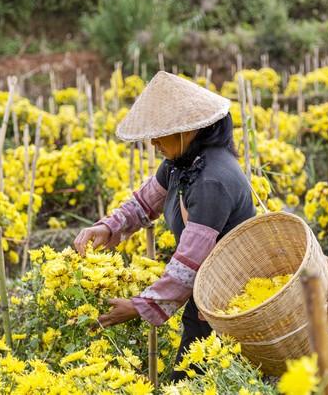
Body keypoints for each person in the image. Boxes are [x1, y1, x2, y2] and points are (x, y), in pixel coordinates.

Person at [73, 71, 255, 381]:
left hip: (230, 304)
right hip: (207, 298)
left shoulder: (212, 179)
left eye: (162, 132)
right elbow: (144, 203)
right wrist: (107, 228)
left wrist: (138, 306)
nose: (154, 141)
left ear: (191, 129)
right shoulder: (182, 164)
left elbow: (188, 265)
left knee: (201, 380)